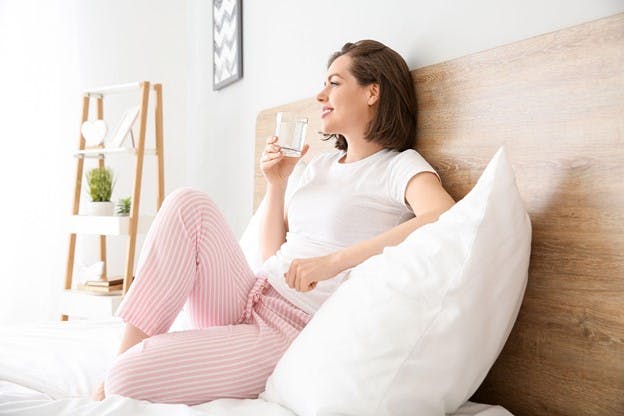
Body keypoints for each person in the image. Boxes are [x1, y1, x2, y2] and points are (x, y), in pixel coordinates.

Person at [92, 39, 455, 404]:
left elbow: (441, 214)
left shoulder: (398, 166)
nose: (320, 95)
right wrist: (277, 183)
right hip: (251, 291)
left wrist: (335, 262)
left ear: (372, 91)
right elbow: (271, 254)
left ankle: (115, 378)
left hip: (287, 327)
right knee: (189, 204)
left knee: (125, 380)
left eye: (334, 82)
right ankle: (122, 356)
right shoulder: (320, 166)